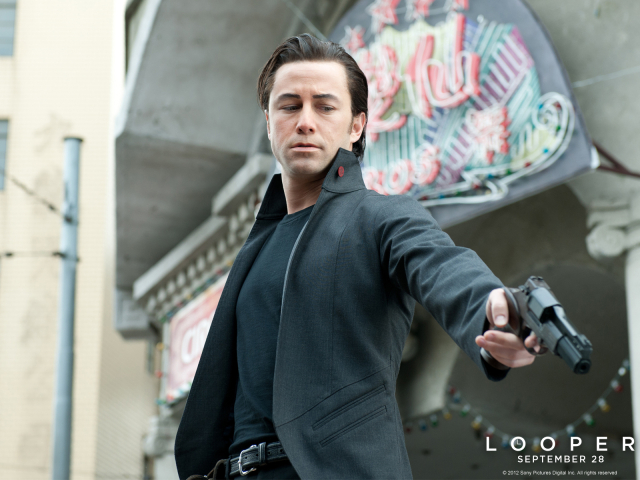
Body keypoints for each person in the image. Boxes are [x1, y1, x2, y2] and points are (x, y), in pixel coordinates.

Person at [176, 34, 540, 480]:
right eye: (289, 106)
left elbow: (440, 265)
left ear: (356, 125)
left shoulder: (379, 217)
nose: (305, 122)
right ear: (269, 121)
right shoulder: (257, 248)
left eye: (325, 107)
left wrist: (491, 310)